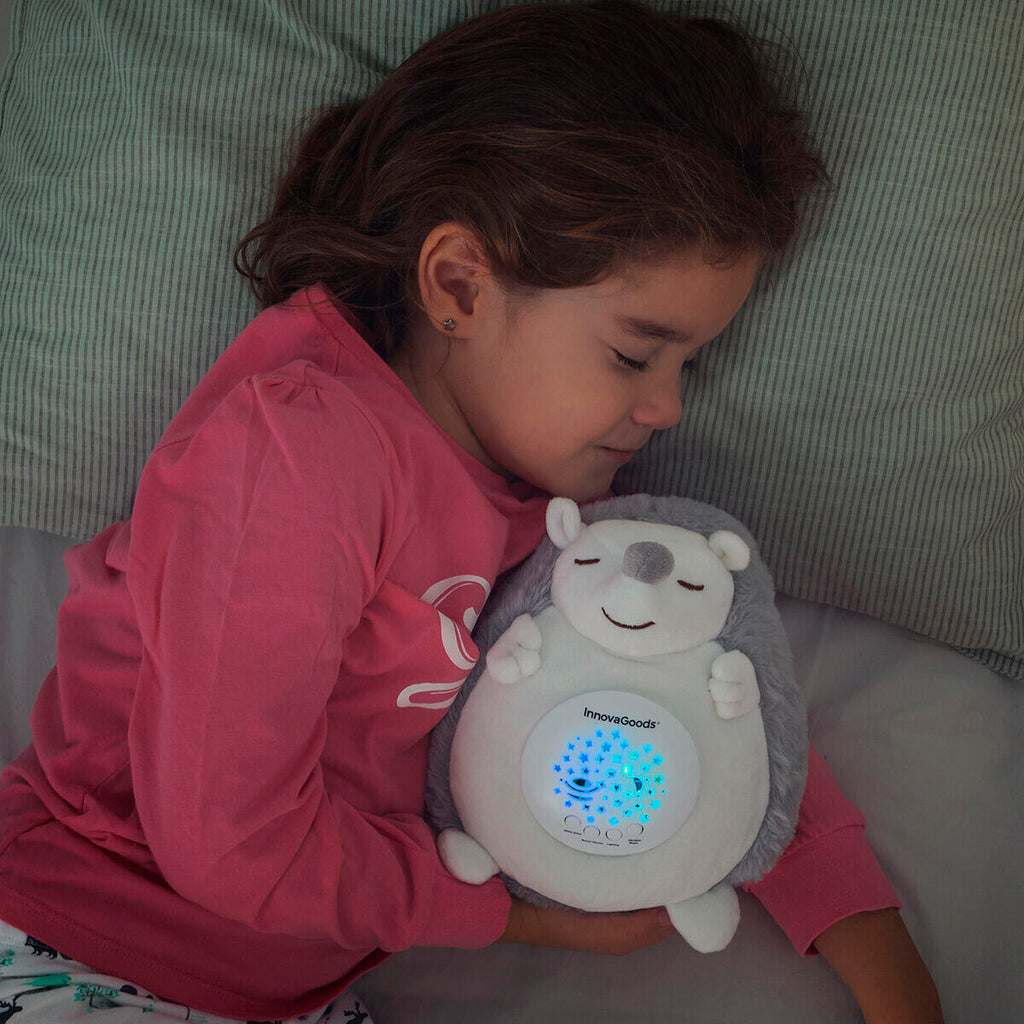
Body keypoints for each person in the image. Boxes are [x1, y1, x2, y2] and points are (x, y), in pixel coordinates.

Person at [0, 2, 942, 1022]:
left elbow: (732, 731)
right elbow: (226, 840)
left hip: (294, 989)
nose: (667, 407)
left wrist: (891, 976)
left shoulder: (570, 525)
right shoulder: (301, 452)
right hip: (78, 938)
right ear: (459, 283)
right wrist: (518, 918)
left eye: (691, 366)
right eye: (634, 353)